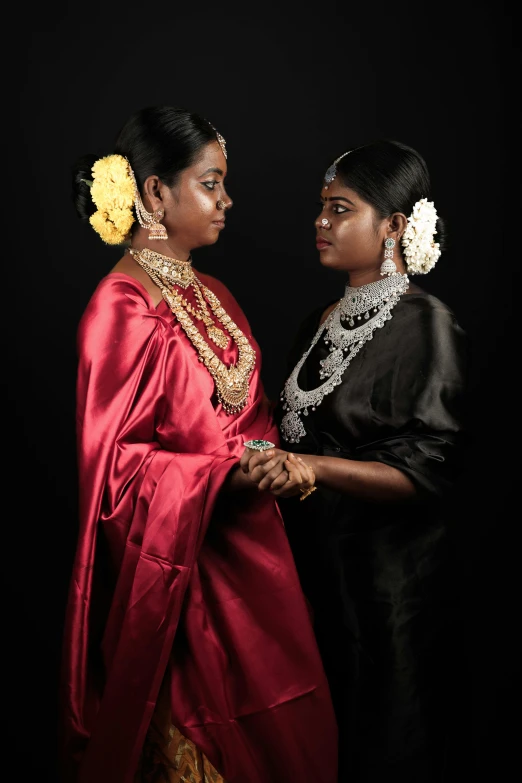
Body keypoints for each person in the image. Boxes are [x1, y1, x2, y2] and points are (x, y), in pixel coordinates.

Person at [61, 105, 338, 783]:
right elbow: (116, 474)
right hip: (178, 584)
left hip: (254, 564)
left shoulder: (215, 294)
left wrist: (279, 462)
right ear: (155, 193)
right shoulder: (120, 307)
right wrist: (227, 475)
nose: (227, 200)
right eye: (211, 183)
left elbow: (251, 418)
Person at [240, 140, 469, 782]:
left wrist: (311, 469)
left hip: (388, 597)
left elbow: (426, 474)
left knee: (384, 749)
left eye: (339, 210)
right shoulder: (319, 322)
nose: (320, 223)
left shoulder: (427, 323)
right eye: (320, 209)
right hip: (315, 585)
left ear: (395, 225)